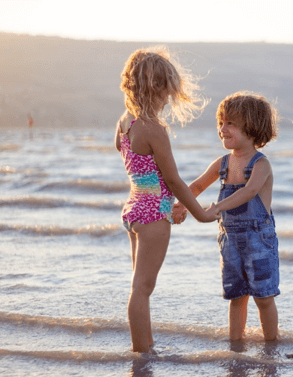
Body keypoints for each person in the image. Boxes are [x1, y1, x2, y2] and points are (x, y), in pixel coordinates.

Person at [114, 46, 219, 353]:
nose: (168, 100)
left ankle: (144, 347)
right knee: (142, 289)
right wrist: (201, 213)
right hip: (152, 218)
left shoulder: (125, 122)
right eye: (167, 93)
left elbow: (126, 156)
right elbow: (173, 180)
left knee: (139, 287)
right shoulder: (154, 129)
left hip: (133, 210)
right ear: (156, 89)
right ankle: (143, 353)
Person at [182, 91, 281, 341]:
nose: (222, 129)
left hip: (259, 241)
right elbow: (196, 186)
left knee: (264, 297)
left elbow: (249, 192)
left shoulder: (261, 164)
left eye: (230, 123)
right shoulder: (223, 163)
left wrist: (217, 208)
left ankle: (271, 345)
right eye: (220, 123)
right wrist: (182, 204)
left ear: (252, 127)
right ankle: (236, 345)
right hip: (230, 242)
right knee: (236, 296)